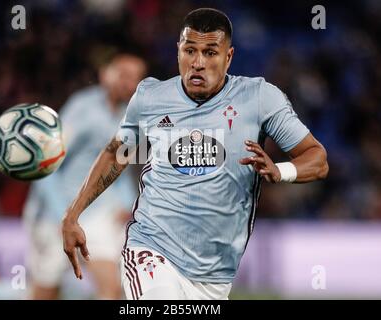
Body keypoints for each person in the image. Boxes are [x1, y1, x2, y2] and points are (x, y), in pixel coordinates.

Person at [61, 8, 329, 300]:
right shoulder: (151, 98)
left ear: (228, 57)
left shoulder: (259, 98)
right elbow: (117, 155)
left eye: (210, 52)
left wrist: (281, 171)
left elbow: (317, 159)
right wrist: (73, 215)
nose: (198, 63)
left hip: (215, 275)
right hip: (151, 249)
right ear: (178, 51)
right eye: (190, 50)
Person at [23, 53, 147, 299]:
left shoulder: (132, 120)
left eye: (136, 78)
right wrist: (65, 214)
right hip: (53, 215)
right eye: (123, 74)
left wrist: (127, 202)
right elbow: (46, 164)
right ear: (105, 74)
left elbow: (119, 170)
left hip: (98, 215)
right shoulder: (82, 108)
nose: (129, 83)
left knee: (111, 288)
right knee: (46, 293)